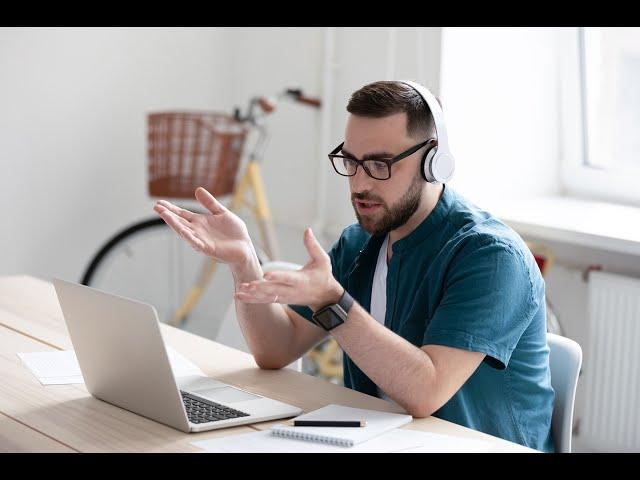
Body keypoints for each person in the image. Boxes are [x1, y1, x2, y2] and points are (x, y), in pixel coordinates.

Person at [154, 80, 555, 452]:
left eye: (380, 164)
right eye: (351, 161)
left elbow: (425, 392)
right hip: (377, 440)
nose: (360, 184)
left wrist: (334, 301)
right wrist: (244, 262)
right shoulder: (361, 241)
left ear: (435, 161)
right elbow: (276, 350)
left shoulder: (490, 256)